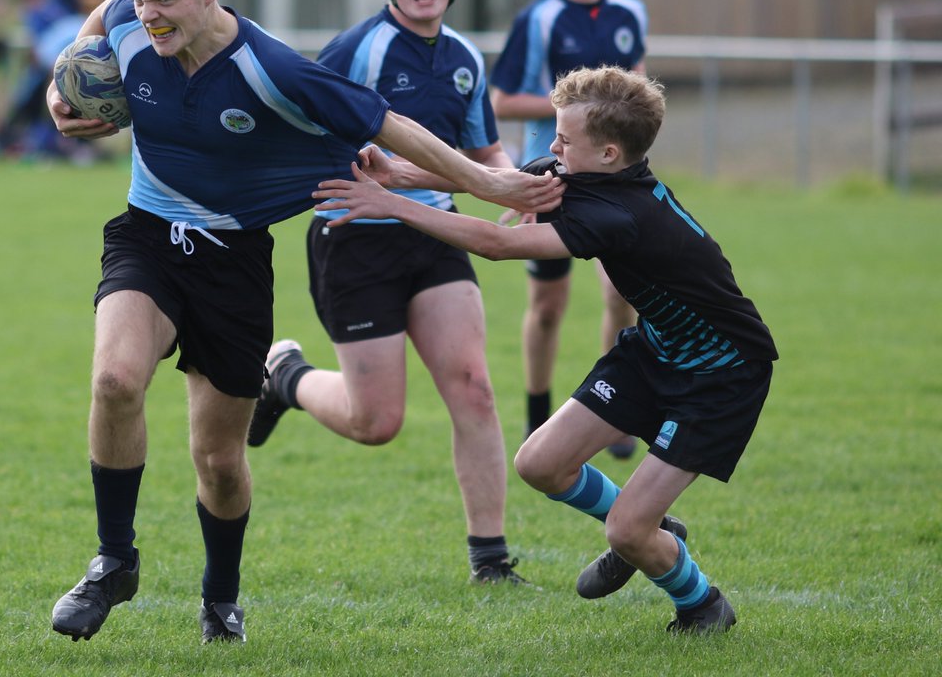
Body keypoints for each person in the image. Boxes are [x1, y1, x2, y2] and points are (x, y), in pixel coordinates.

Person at [45, 0, 561, 646]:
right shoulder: (125, 18)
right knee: (115, 380)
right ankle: (112, 561)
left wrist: (492, 182)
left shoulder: (272, 68)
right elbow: (87, 37)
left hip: (235, 261)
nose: (148, 14)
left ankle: (221, 598)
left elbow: (390, 126)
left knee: (219, 461)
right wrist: (57, 98)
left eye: (166, 0)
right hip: (149, 235)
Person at [313, 65, 777, 634]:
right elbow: (497, 180)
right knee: (540, 464)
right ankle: (654, 531)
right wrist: (401, 173)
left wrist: (391, 202)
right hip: (657, 351)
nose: (551, 145)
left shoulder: (618, 214)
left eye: (564, 138)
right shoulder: (586, 172)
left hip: (721, 373)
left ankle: (702, 603)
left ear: (609, 153)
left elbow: (498, 243)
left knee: (626, 532)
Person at [246, 0, 528, 585]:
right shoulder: (357, 50)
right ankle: (285, 375)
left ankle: (490, 560)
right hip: (357, 241)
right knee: (377, 422)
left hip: (435, 234)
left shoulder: (463, 56)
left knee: (476, 389)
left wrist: (513, 177)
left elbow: (483, 149)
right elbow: (297, 125)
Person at [490, 0, 647, 449]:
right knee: (549, 306)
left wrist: (616, 122)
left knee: (622, 293)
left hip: (615, 176)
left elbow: (640, 91)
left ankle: (619, 414)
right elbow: (503, 99)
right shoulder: (540, 18)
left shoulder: (630, 12)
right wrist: (583, 111)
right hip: (553, 173)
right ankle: (538, 414)